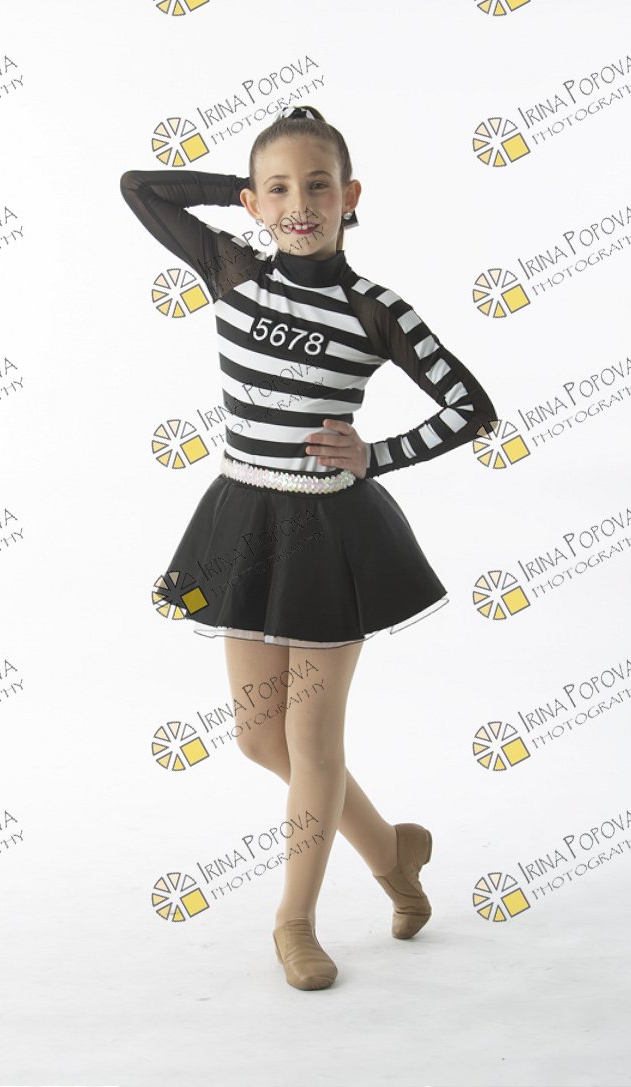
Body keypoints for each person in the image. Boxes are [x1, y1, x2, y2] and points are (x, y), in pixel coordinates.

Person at [119, 105, 499, 991]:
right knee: (260, 739)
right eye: (280, 189)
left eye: (318, 186)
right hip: (241, 519)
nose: (300, 204)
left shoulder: (375, 310)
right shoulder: (231, 269)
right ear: (256, 202)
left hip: (329, 533)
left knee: (313, 740)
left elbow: (471, 409)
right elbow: (139, 188)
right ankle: (393, 850)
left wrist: (378, 454)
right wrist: (239, 193)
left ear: (350, 197)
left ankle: (295, 918)